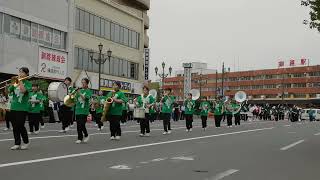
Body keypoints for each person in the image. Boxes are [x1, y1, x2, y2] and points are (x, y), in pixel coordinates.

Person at [8, 67, 32, 150]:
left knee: (20, 125)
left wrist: (20, 81)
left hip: (22, 108)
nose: (20, 74)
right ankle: (17, 143)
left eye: (22, 72)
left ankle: (26, 142)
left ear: (26, 74)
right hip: (14, 107)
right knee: (15, 126)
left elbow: (23, 91)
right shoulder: (16, 82)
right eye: (19, 72)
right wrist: (10, 84)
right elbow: (9, 91)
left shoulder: (28, 83)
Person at [75, 78, 92, 144]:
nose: (82, 84)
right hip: (78, 109)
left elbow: (85, 98)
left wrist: (78, 92)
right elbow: (75, 99)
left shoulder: (88, 91)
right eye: (82, 82)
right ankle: (80, 138)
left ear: (87, 83)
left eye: (84, 82)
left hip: (84, 110)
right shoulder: (80, 90)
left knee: (82, 124)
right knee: (78, 125)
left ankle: (86, 135)